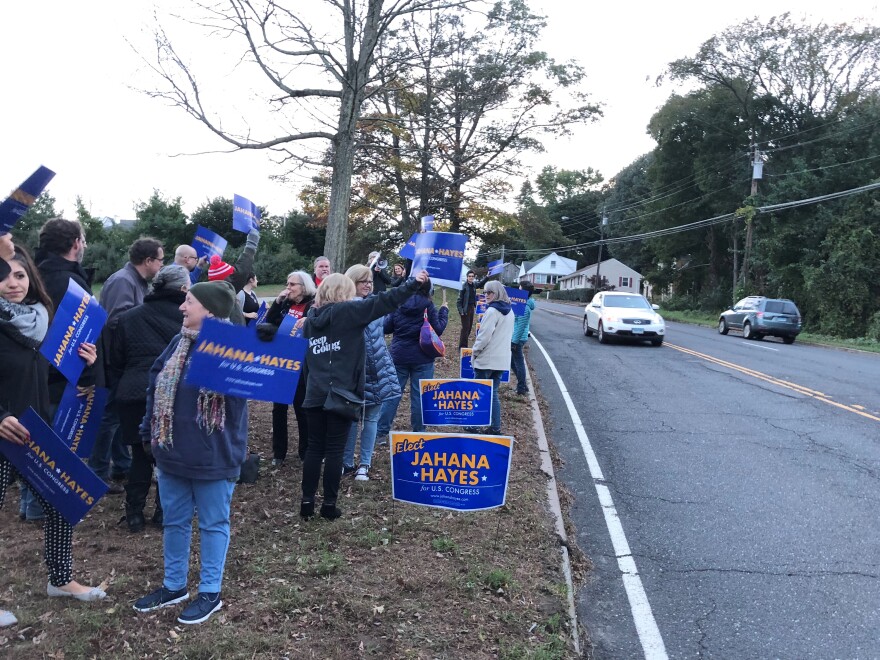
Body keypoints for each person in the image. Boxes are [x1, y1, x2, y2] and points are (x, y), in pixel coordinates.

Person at [0, 243, 106, 625]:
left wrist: (87, 367)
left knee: (61, 505)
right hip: (2, 435)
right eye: (4, 275)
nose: (12, 283)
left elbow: (58, 383)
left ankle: (61, 581)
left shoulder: (41, 320)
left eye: (20, 275)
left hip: (37, 435)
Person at [133, 280, 247, 625]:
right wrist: (147, 432)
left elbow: (245, 392)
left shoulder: (233, 348)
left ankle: (210, 591)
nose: (182, 307)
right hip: (171, 451)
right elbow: (155, 386)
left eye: (189, 302)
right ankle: (174, 585)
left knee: (213, 523)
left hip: (214, 453)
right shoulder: (178, 343)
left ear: (210, 310)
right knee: (175, 521)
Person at [299, 270, 429, 520]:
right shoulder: (347, 313)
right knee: (335, 451)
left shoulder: (310, 319)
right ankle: (328, 505)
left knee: (315, 449)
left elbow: (307, 361)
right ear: (342, 292)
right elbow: (385, 302)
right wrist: (414, 283)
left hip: (314, 393)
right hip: (341, 393)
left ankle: (306, 503)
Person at [110, 265, 188, 533]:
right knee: (168, 455)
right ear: (182, 289)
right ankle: (162, 512)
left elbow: (116, 359)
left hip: (132, 391)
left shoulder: (129, 317)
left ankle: (133, 513)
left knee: (139, 456)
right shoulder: (185, 320)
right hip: (171, 393)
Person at [91, 238, 165, 492]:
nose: (162, 265)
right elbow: (116, 320)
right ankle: (97, 474)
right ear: (148, 261)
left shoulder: (137, 281)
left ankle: (121, 466)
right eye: (160, 260)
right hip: (116, 361)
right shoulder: (123, 281)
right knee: (110, 417)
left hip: (126, 360)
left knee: (121, 418)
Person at [341, 265, 402, 481]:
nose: (368, 284)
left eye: (369, 280)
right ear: (351, 283)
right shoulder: (344, 308)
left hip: (376, 370)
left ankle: (364, 464)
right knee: (350, 419)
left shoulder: (374, 305)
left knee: (371, 418)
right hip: (352, 373)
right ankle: (346, 462)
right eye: (362, 281)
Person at [381, 276, 449, 435]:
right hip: (423, 356)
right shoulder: (428, 306)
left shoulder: (398, 303)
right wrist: (444, 311)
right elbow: (438, 330)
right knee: (420, 396)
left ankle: (381, 432)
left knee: (392, 395)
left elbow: (386, 327)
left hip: (399, 356)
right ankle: (419, 432)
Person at [264, 271, 316, 466]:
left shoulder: (312, 305)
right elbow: (269, 322)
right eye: (287, 283)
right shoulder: (286, 304)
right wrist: (277, 302)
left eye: (292, 284)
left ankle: (305, 451)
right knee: (278, 409)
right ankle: (279, 452)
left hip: (302, 364)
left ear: (303, 287)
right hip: (281, 362)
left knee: (301, 408)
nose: (288, 288)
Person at [471, 281, 514, 434]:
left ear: (497, 293)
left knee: (479, 394)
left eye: (489, 292)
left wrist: (474, 352)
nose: (486, 295)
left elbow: (483, 337)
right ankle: (495, 427)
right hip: (501, 360)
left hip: (486, 359)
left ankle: (474, 425)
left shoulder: (492, 311)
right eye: (484, 292)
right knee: (493, 394)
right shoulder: (510, 311)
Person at [510, 282, 536, 395]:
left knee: (519, 363)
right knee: (512, 362)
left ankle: (521, 387)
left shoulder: (525, 307)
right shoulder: (521, 304)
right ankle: (523, 384)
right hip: (516, 336)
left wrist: (514, 342)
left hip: (518, 339)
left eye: (520, 289)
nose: (518, 291)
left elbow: (520, 326)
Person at [456, 270, 489, 348]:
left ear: (474, 277)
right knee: (465, 328)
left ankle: (464, 343)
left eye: (472, 276)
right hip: (465, 309)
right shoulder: (463, 286)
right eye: (469, 276)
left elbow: (480, 283)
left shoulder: (474, 285)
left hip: (471, 308)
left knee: (469, 327)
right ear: (467, 277)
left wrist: (487, 277)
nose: (471, 277)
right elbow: (459, 301)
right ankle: (462, 347)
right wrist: (461, 311)